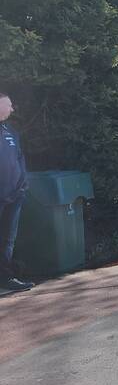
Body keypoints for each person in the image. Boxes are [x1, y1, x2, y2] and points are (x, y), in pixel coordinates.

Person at [0, 91, 32, 291]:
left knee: (7, 240)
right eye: (9, 104)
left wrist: (23, 185)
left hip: (14, 196)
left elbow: (20, 158)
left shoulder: (10, 131)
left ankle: (6, 279)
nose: (12, 109)